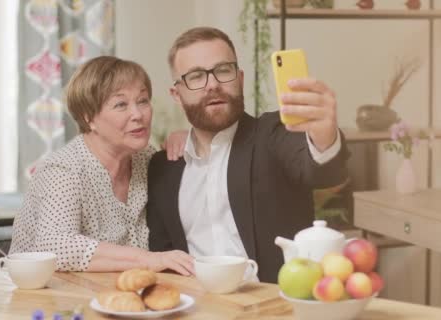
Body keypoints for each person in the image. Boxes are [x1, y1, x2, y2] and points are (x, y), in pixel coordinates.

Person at [147, 27, 350, 282]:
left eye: (223, 71)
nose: (213, 84)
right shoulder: (163, 168)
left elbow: (319, 169)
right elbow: (162, 256)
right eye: (196, 76)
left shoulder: (272, 134)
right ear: (177, 94)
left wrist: (324, 135)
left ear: (240, 79)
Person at [10, 56, 194, 275]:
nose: (138, 115)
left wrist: (191, 139)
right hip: (48, 298)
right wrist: (149, 260)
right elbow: (55, 246)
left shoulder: (145, 157)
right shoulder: (63, 170)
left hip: (116, 293)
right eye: (121, 104)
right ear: (89, 118)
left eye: (143, 100)